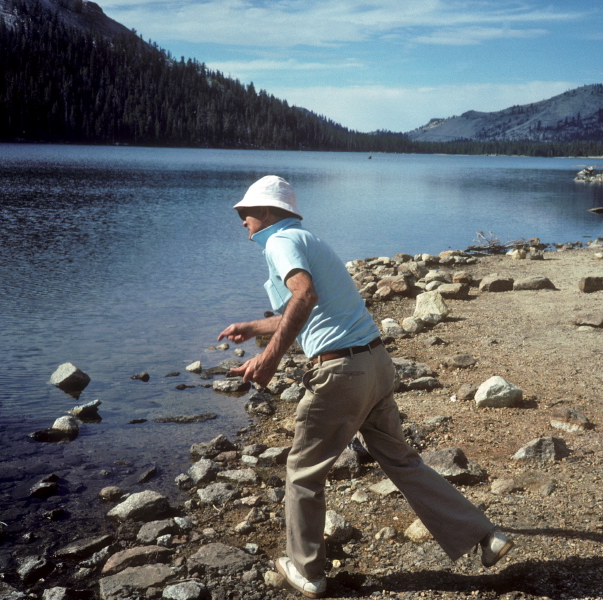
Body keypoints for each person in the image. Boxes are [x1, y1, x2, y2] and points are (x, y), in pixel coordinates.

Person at [218, 175, 513, 598]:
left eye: (245, 211)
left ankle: (307, 572)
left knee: (302, 473)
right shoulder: (304, 237)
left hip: (342, 375)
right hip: (374, 362)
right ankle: (485, 535)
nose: (241, 218)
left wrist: (268, 359)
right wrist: (255, 327)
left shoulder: (279, 242)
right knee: (401, 460)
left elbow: (303, 297)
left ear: (266, 212)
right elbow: (311, 307)